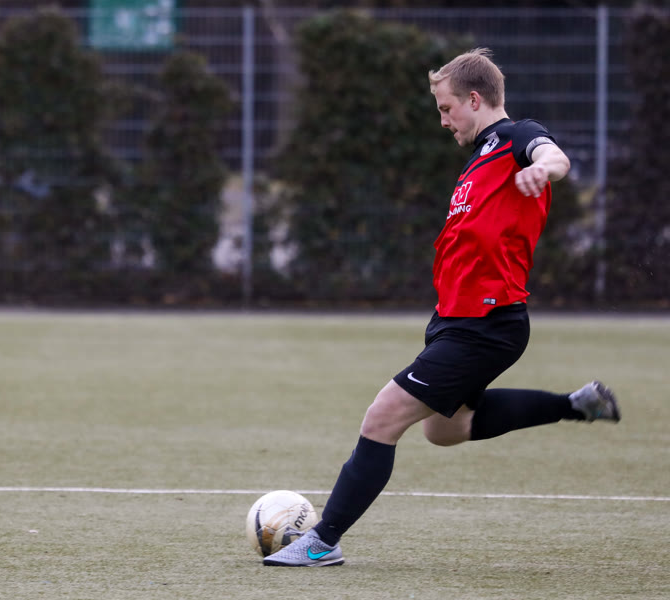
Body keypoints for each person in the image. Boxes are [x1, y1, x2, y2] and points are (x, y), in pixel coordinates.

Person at [263, 48, 620, 568]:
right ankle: (576, 405)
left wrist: (544, 168)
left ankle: (323, 541)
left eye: (446, 108)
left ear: (475, 99)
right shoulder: (480, 157)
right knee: (444, 429)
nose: (443, 119)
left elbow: (555, 157)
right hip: (455, 320)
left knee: (383, 416)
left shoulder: (516, 137)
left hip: (485, 324)